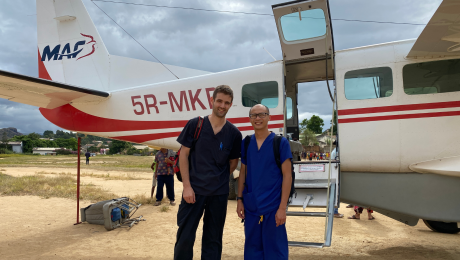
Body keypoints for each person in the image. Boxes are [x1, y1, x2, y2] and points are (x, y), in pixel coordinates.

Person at [174, 85, 242, 260]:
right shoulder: (195, 124)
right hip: (193, 192)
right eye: (219, 100)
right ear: (212, 101)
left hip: (219, 194)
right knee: (185, 238)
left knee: (213, 240)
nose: (222, 105)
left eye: (227, 103)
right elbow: (183, 154)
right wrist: (187, 187)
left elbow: (234, 161)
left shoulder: (234, 134)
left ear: (230, 105)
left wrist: (218, 177)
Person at [236, 104, 292, 260]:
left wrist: (282, 208)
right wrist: (240, 199)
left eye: (262, 114)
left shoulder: (280, 143)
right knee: (253, 251)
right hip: (252, 206)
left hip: (273, 207)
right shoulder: (246, 143)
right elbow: (243, 172)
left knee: (275, 251)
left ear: (269, 117)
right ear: (250, 119)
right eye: (253, 115)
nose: (257, 118)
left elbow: (287, 176)